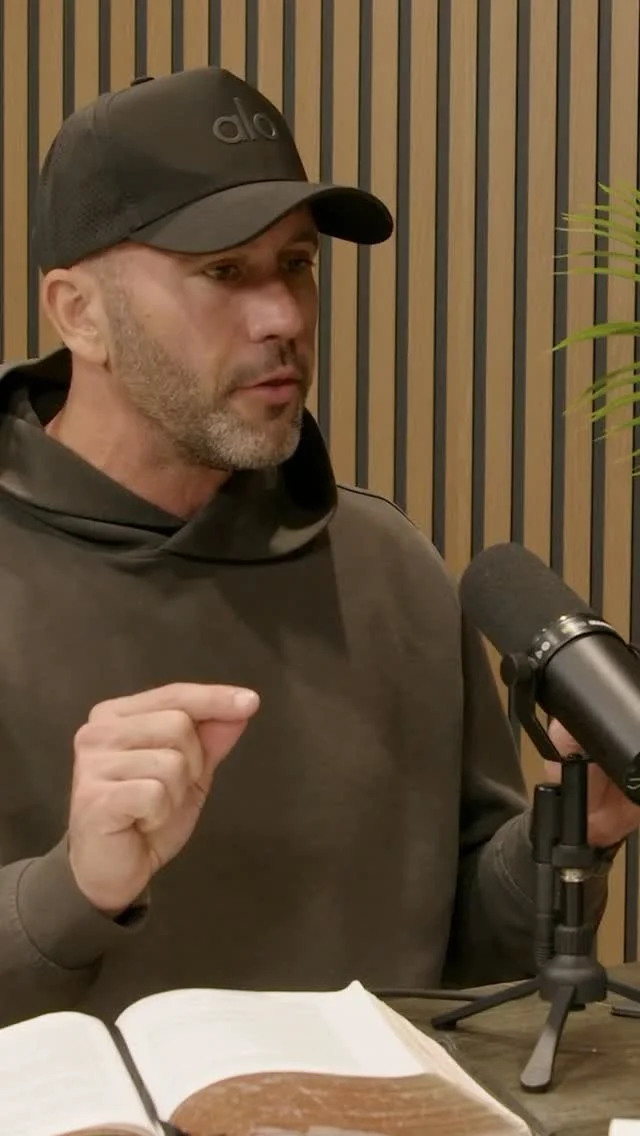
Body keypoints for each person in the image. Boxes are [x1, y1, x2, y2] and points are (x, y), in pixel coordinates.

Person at [0, 65, 635, 1030]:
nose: (284, 319)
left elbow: (465, 964)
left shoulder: (390, 567)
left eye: (296, 264)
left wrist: (566, 840)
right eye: (224, 272)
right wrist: (70, 891)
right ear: (79, 313)